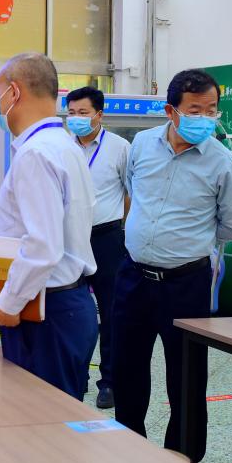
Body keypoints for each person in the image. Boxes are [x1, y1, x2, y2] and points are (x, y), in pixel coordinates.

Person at [113, 68, 232, 463]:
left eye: (211, 110)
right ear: (171, 111)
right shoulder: (141, 144)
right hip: (133, 276)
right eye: (195, 110)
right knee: (126, 367)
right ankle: (128, 447)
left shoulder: (222, 162)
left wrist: (190, 241)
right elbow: (132, 188)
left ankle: (183, 457)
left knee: (186, 374)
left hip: (186, 282)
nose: (204, 118)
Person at [0, 53, 99, 401]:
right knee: (58, 414)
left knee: (40, 418)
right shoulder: (65, 146)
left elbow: (42, 245)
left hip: (45, 310)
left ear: (13, 92)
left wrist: (9, 302)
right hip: (67, 302)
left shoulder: (36, 154)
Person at [65, 87, 130, 409]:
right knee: (71, 308)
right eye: (71, 113)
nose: (76, 119)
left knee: (111, 312)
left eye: (83, 113)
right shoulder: (62, 146)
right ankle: (77, 376)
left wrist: (122, 228)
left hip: (106, 238)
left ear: (99, 115)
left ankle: (110, 382)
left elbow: (131, 193)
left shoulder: (120, 148)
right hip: (70, 238)